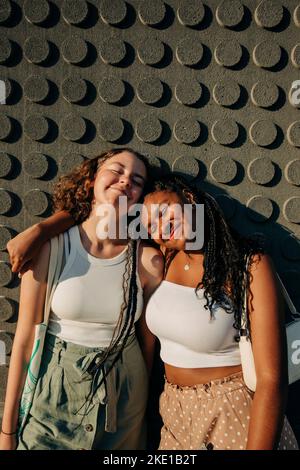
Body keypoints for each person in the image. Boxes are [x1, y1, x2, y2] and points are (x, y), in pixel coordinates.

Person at [0, 148, 163, 450]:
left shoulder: (148, 261)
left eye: (137, 180)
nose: (126, 180)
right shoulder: (50, 249)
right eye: (117, 170)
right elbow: (24, 341)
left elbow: (148, 343)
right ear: (91, 180)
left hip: (124, 397)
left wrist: (144, 409)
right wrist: (7, 431)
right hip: (53, 394)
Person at [141, 175, 298, 450]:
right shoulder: (163, 260)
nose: (161, 228)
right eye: (150, 225)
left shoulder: (249, 266)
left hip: (232, 412)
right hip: (173, 412)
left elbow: (272, 379)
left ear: (188, 199)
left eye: (164, 212)